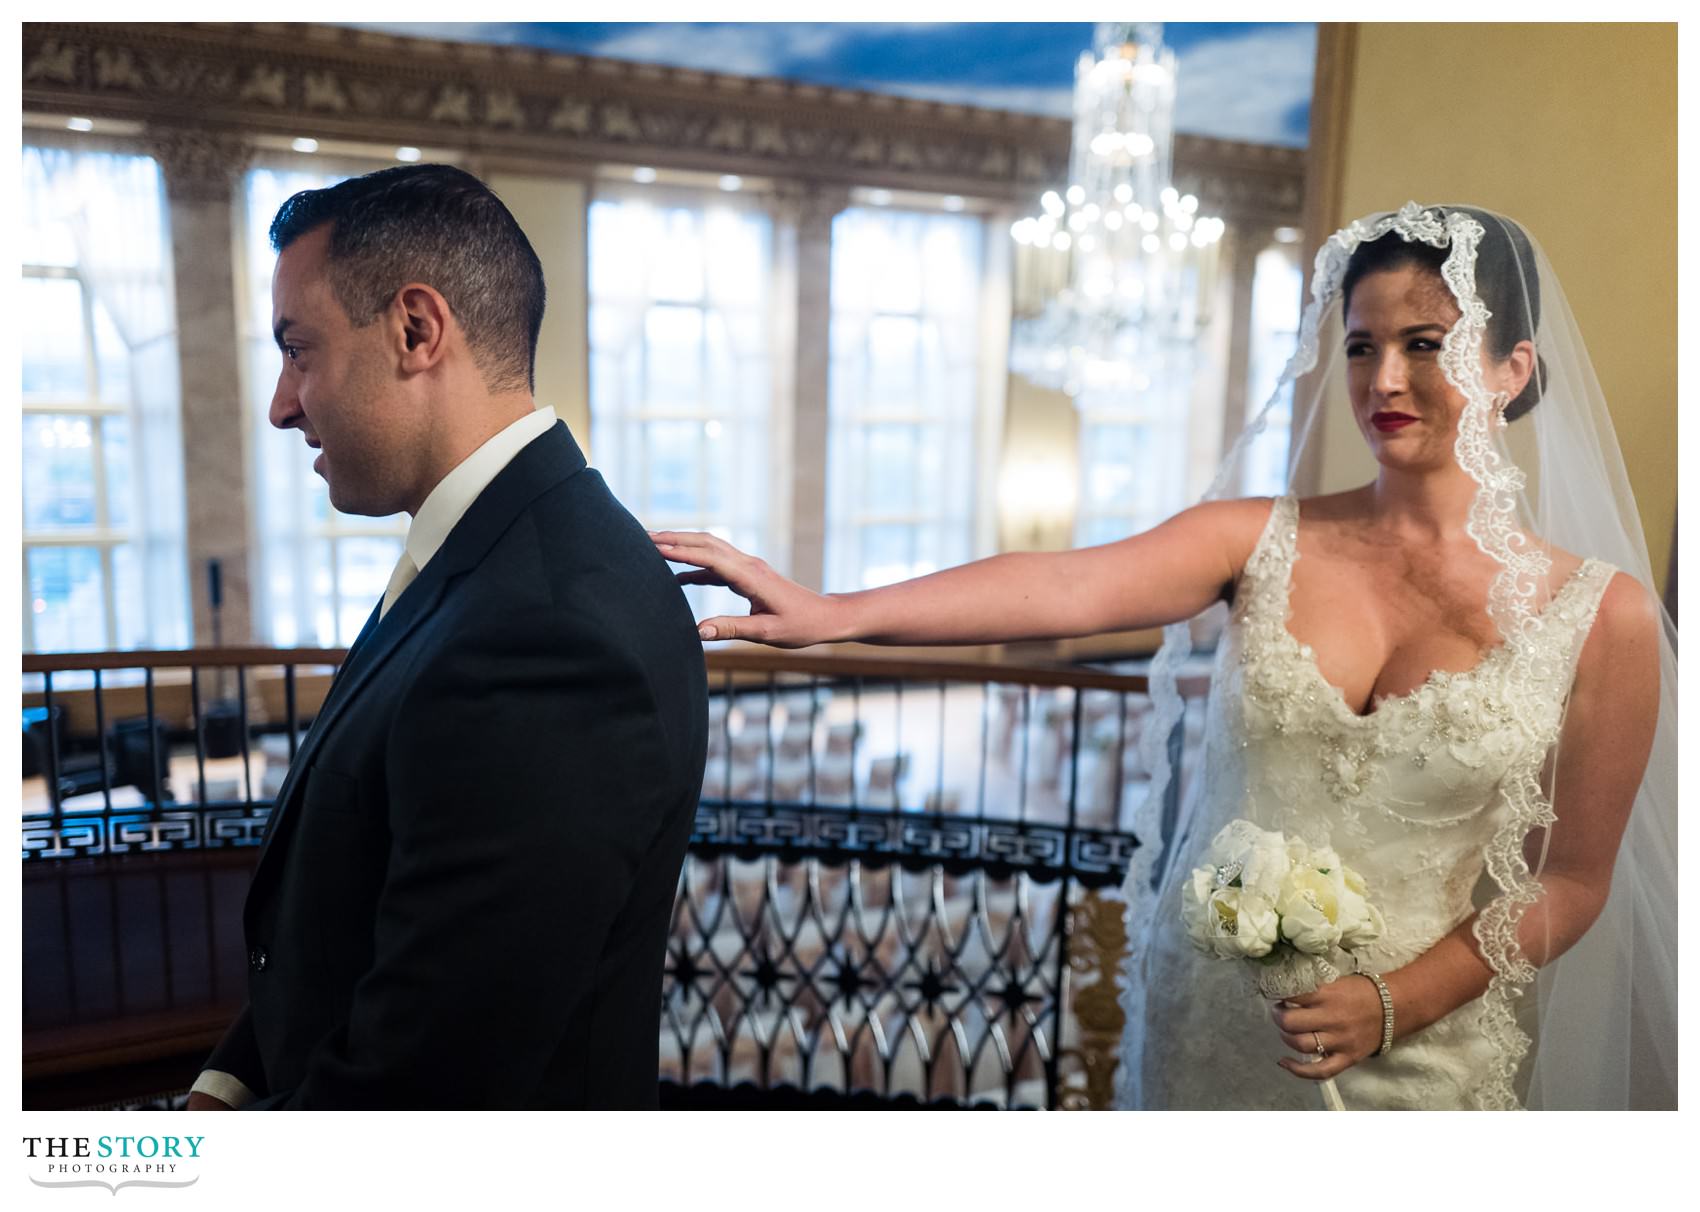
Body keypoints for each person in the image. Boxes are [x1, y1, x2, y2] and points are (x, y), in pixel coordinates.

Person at [651, 204, 1676, 1109]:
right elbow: (1062, 584)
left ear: (1511, 369)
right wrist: (835, 612)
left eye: (1425, 344)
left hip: (1416, 1051)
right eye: (1360, 347)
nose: (1385, 380)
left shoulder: (1601, 617)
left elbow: (1572, 881)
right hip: (1208, 1030)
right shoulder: (1252, 537)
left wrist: (1394, 1001)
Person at [186, 164, 707, 1109]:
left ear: (416, 331)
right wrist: (226, 1084)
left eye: (299, 350)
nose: (282, 402)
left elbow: (426, 1083)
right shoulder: (489, 550)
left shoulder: (547, 631)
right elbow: (353, 909)